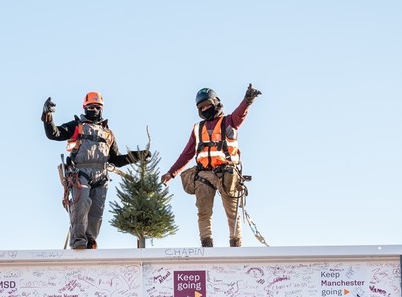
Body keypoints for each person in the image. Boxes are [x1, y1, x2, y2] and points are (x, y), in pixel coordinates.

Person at [42, 92, 149, 249]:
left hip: (101, 176)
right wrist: (47, 115)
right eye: (91, 107)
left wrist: (137, 156)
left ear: (102, 109)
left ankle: (90, 242)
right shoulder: (77, 126)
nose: (94, 110)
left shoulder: (108, 133)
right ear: (85, 108)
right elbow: (54, 133)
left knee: (96, 213)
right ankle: (78, 241)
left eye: (97, 107)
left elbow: (116, 159)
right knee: (80, 205)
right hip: (81, 174)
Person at [161, 84, 261, 247]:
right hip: (204, 175)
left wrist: (247, 101)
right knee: (203, 212)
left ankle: (235, 246)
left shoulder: (229, 121)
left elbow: (240, 114)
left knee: (232, 212)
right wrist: (171, 173)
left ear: (216, 103)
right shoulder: (197, 128)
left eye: (208, 105)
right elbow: (187, 154)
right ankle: (206, 246)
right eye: (202, 107)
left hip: (226, 173)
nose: (205, 109)